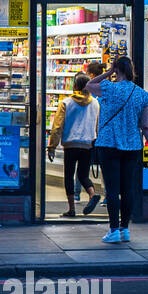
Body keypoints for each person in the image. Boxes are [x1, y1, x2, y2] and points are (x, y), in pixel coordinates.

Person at [86, 56, 148, 243]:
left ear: (116, 70)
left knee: (112, 189)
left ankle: (113, 230)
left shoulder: (109, 88)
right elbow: (145, 126)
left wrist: (109, 72)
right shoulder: (142, 94)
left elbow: (89, 85)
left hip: (109, 145)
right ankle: (125, 228)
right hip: (133, 146)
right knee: (128, 189)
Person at [47, 72, 101, 218]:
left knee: (69, 176)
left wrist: (51, 147)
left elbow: (57, 127)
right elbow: (97, 125)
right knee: (83, 175)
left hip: (71, 145)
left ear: (75, 86)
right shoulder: (96, 103)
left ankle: (71, 209)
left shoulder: (65, 103)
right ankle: (92, 194)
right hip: (88, 145)